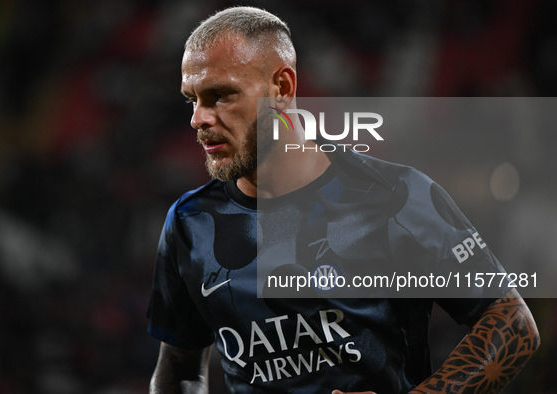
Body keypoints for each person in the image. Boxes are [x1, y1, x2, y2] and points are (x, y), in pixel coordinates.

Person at [146, 6, 540, 394]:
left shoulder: (394, 197)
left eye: (220, 95)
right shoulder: (190, 222)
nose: (199, 118)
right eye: (191, 100)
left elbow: (510, 322)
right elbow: (180, 371)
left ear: (281, 88)